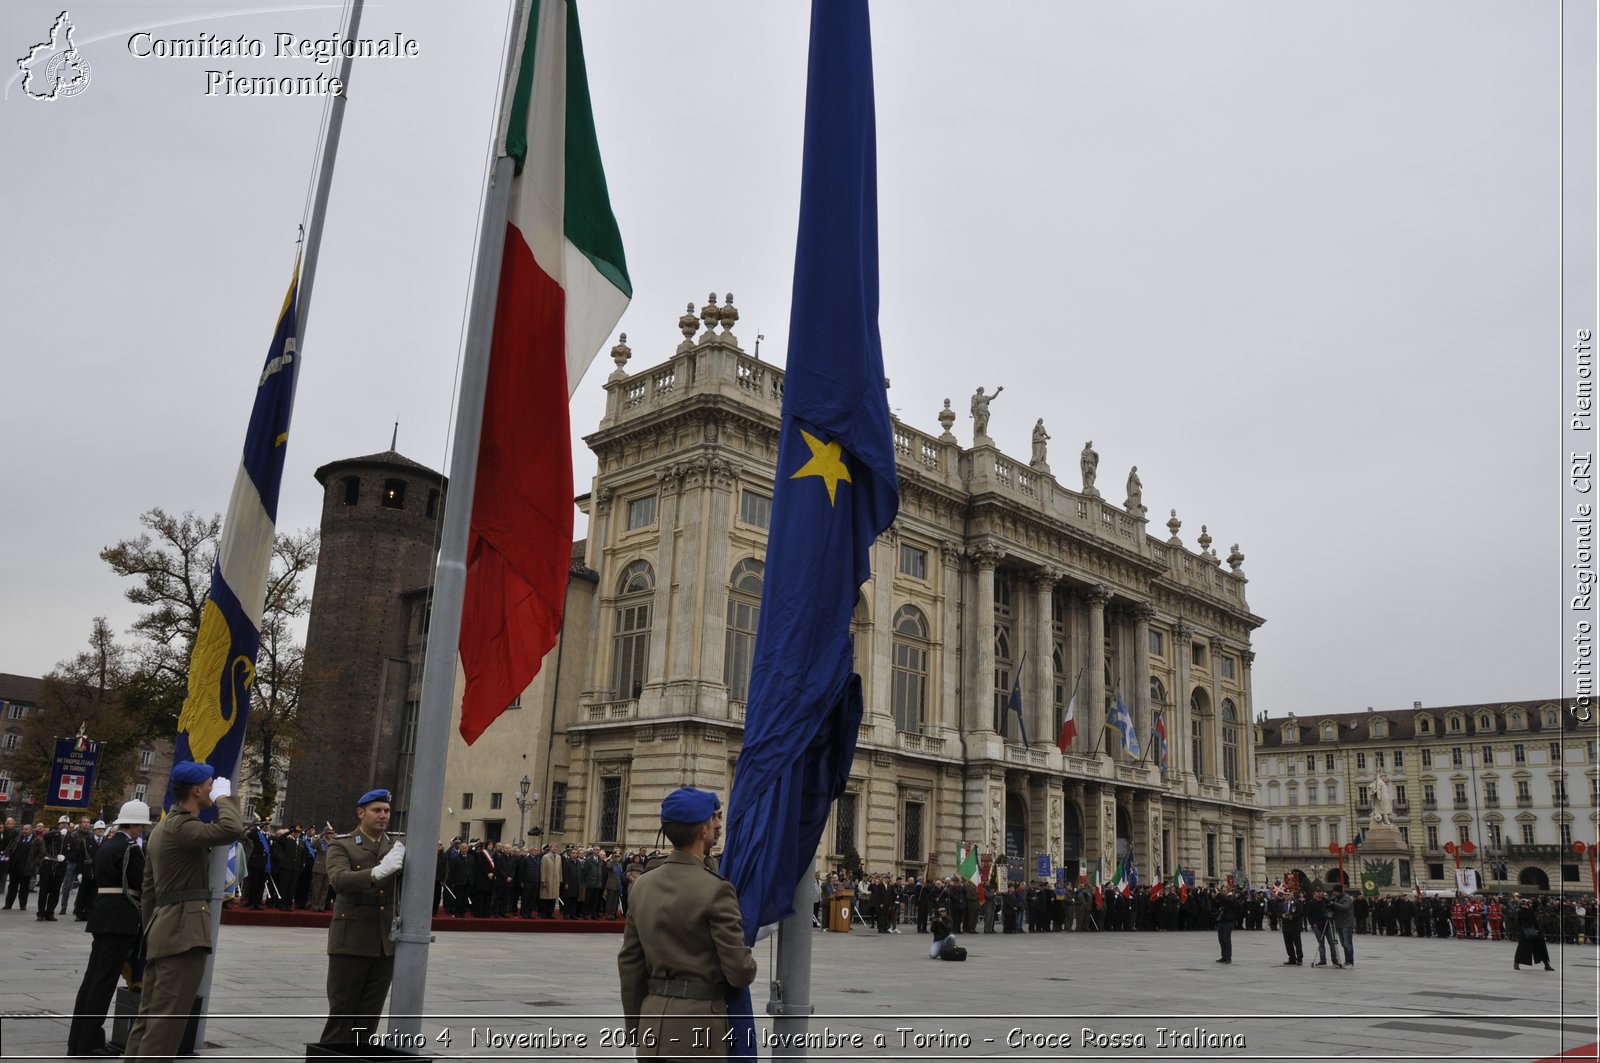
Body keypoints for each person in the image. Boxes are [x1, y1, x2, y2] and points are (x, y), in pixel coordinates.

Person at [618, 787, 756, 1059]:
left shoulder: (642, 885)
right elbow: (739, 972)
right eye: (714, 818)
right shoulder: (716, 889)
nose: (719, 824)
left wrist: (638, 1028)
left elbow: (630, 965)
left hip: (653, 1023)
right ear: (701, 830)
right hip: (700, 1027)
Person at [122, 761, 245, 1063]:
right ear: (196, 790)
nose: (211, 788)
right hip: (183, 933)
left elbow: (149, 889)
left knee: (149, 1016)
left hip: (163, 929)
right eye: (208, 785)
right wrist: (224, 800)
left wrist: (155, 926)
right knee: (168, 1021)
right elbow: (232, 829)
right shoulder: (184, 826)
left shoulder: (163, 826)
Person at [319, 788, 405, 1046]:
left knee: (370, 1013)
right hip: (352, 938)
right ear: (361, 813)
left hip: (384, 941)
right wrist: (378, 872)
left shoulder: (396, 846)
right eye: (376, 810)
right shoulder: (341, 844)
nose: (383, 816)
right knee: (343, 1010)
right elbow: (339, 880)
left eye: (387, 811)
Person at [66, 800, 150, 1057]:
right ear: (134, 825)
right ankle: (90, 1042)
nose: (142, 831)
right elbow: (140, 881)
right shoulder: (130, 849)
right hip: (120, 916)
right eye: (141, 827)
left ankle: (77, 1040)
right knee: (103, 981)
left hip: (103, 912)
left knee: (92, 978)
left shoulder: (107, 844)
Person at [1512, 898, 1553, 971]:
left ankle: (1546, 965)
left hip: (1536, 931)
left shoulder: (1531, 909)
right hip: (1526, 931)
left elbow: (1536, 904)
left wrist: (1533, 902)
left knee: (1541, 948)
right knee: (1523, 948)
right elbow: (1526, 917)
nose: (1529, 904)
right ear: (1522, 904)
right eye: (1526, 902)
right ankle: (1516, 963)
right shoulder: (1520, 911)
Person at [1328, 882, 1355, 968]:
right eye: (1334, 892)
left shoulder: (1347, 898)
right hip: (1339, 924)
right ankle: (1347, 961)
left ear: (1340, 891)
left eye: (1336, 892)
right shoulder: (1335, 898)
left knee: (1348, 944)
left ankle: (1350, 962)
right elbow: (1330, 902)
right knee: (1343, 944)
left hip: (1347, 924)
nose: (1334, 894)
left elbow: (1345, 907)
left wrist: (1333, 904)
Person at [1213, 885, 1241, 963]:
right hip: (1221, 920)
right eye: (1222, 891)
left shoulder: (1232, 897)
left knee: (1226, 939)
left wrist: (1219, 895)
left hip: (1229, 921)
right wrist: (1215, 897)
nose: (1223, 892)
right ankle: (1223, 956)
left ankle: (1228, 957)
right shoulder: (1223, 898)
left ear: (1228, 891)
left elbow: (1228, 901)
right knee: (1221, 939)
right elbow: (1217, 904)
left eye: (1224, 891)